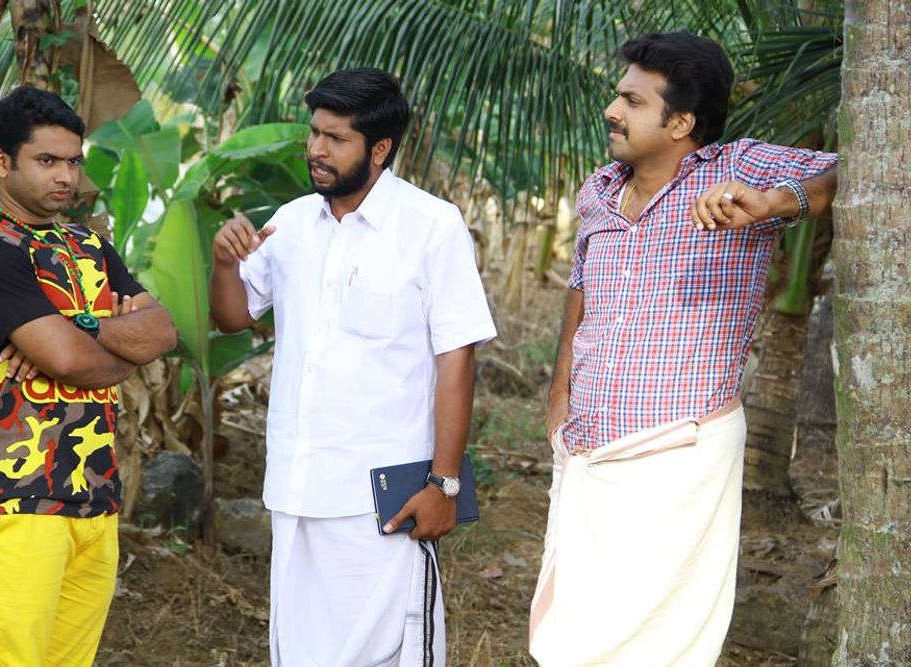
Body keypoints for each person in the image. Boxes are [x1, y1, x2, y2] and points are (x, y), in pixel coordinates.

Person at [529, 32, 838, 666]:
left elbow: (863, 168)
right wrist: (559, 395)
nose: (612, 110)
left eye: (632, 101)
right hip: (587, 447)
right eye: (618, 96)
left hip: (681, 451)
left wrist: (774, 203)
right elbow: (581, 290)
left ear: (682, 123)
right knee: (576, 632)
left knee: (663, 640)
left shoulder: (739, 168)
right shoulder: (598, 191)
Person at [209, 67, 496, 666]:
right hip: (296, 487)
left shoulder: (431, 226)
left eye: (336, 138)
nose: (317, 149)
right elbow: (232, 317)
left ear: (380, 148)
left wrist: (443, 485)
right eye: (314, 132)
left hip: (384, 498)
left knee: (387, 655)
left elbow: (457, 359)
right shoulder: (291, 222)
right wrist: (224, 263)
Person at [0, 86, 177, 666]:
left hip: (95, 498)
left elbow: (162, 332)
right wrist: (117, 346)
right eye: (47, 160)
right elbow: (71, 361)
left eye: (73, 161)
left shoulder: (89, 244)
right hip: (17, 500)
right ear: (2, 161)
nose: (66, 177)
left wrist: (79, 326)